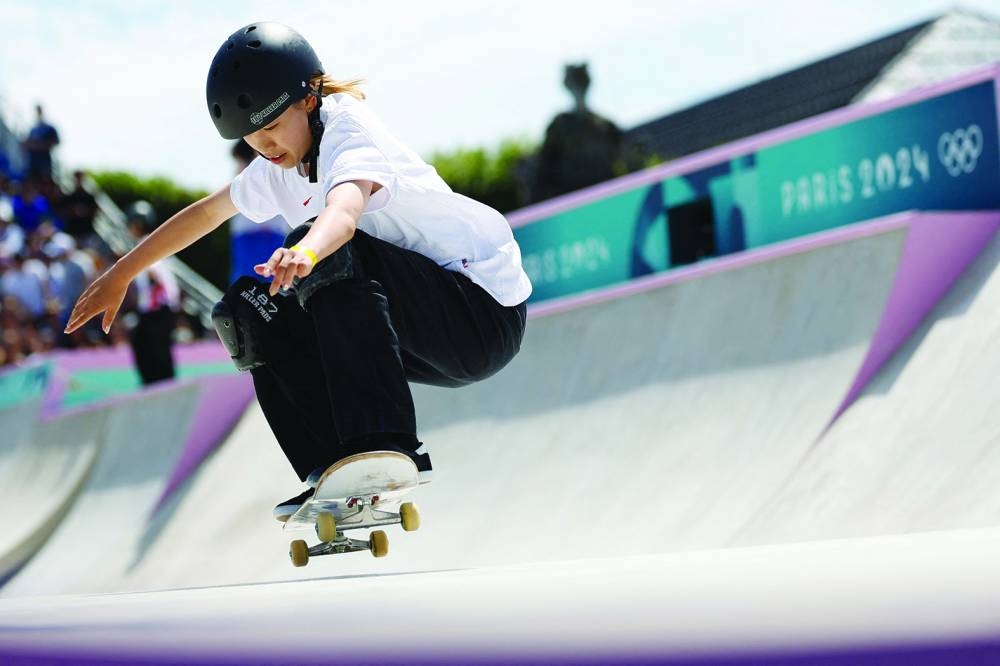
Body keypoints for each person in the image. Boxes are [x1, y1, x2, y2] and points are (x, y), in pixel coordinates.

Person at [65, 22, 531, 521]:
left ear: (308, 99)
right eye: (251, 138)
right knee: (247, 313)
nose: (265, 146)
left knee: (321, 245)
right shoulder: (275, 168)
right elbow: (205, 213)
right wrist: (122, 273)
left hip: (480, 310)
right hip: (417, 332)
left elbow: (345, 211)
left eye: (271, 128)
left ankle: (386, 444)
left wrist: (307, 252)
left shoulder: (350, 132)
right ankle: (334, 467)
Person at [123, 201, 180, 385]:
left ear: (137, 224)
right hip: (163, 311)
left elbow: (156, 276)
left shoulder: (143, 245)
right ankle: (164, 388)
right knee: (161, 355)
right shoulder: (156, 243)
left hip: (156, 312)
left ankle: (156, 389)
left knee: (148, 352)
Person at [228, 139, 288, 284]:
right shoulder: (252, 169)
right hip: (255, 232)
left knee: (258, 277)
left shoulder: (266, 165)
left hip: (260, 232)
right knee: (258, 277)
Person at [22, 104, 60, 182]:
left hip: (44, 164)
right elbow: (26, 145)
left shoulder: (49, 128)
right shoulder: (33, 130)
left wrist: (41, 145)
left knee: (45, 183)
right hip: (33, 164)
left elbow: (56, 141)